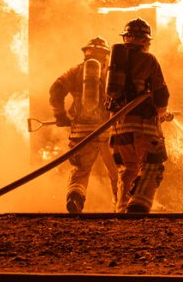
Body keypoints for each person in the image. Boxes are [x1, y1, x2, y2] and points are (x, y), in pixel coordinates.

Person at [107, 18, 170, 213]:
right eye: (147, 41)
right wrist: (161, 113)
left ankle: (122, 208)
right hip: (143, 125)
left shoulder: (112, 65)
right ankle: (138, 204)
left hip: (118, 127)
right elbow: (161, 93)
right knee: (153, 164)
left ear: (126, 38)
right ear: (144, 40)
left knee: (128, 168)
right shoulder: (148, 59)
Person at [49, 36, 118, 213]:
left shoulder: (75, 72)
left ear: (85, 53)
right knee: (119, 171)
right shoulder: (112, 74)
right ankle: (122, 205)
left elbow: (56, 89)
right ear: (106, 55)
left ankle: (75, 198)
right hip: (108, 130)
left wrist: (60, 115)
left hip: (81, 131)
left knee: (80, 170)